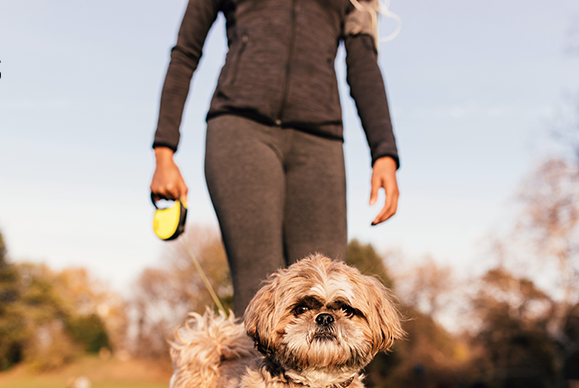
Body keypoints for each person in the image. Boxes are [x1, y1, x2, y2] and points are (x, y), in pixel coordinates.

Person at [151, 0, 401, 315]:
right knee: (259, 288)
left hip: (320, 140)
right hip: (240, 130)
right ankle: (253, 364)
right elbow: (185, 52)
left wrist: (384, 152)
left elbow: (364, 64)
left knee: (323, 289)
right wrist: (164, 151)